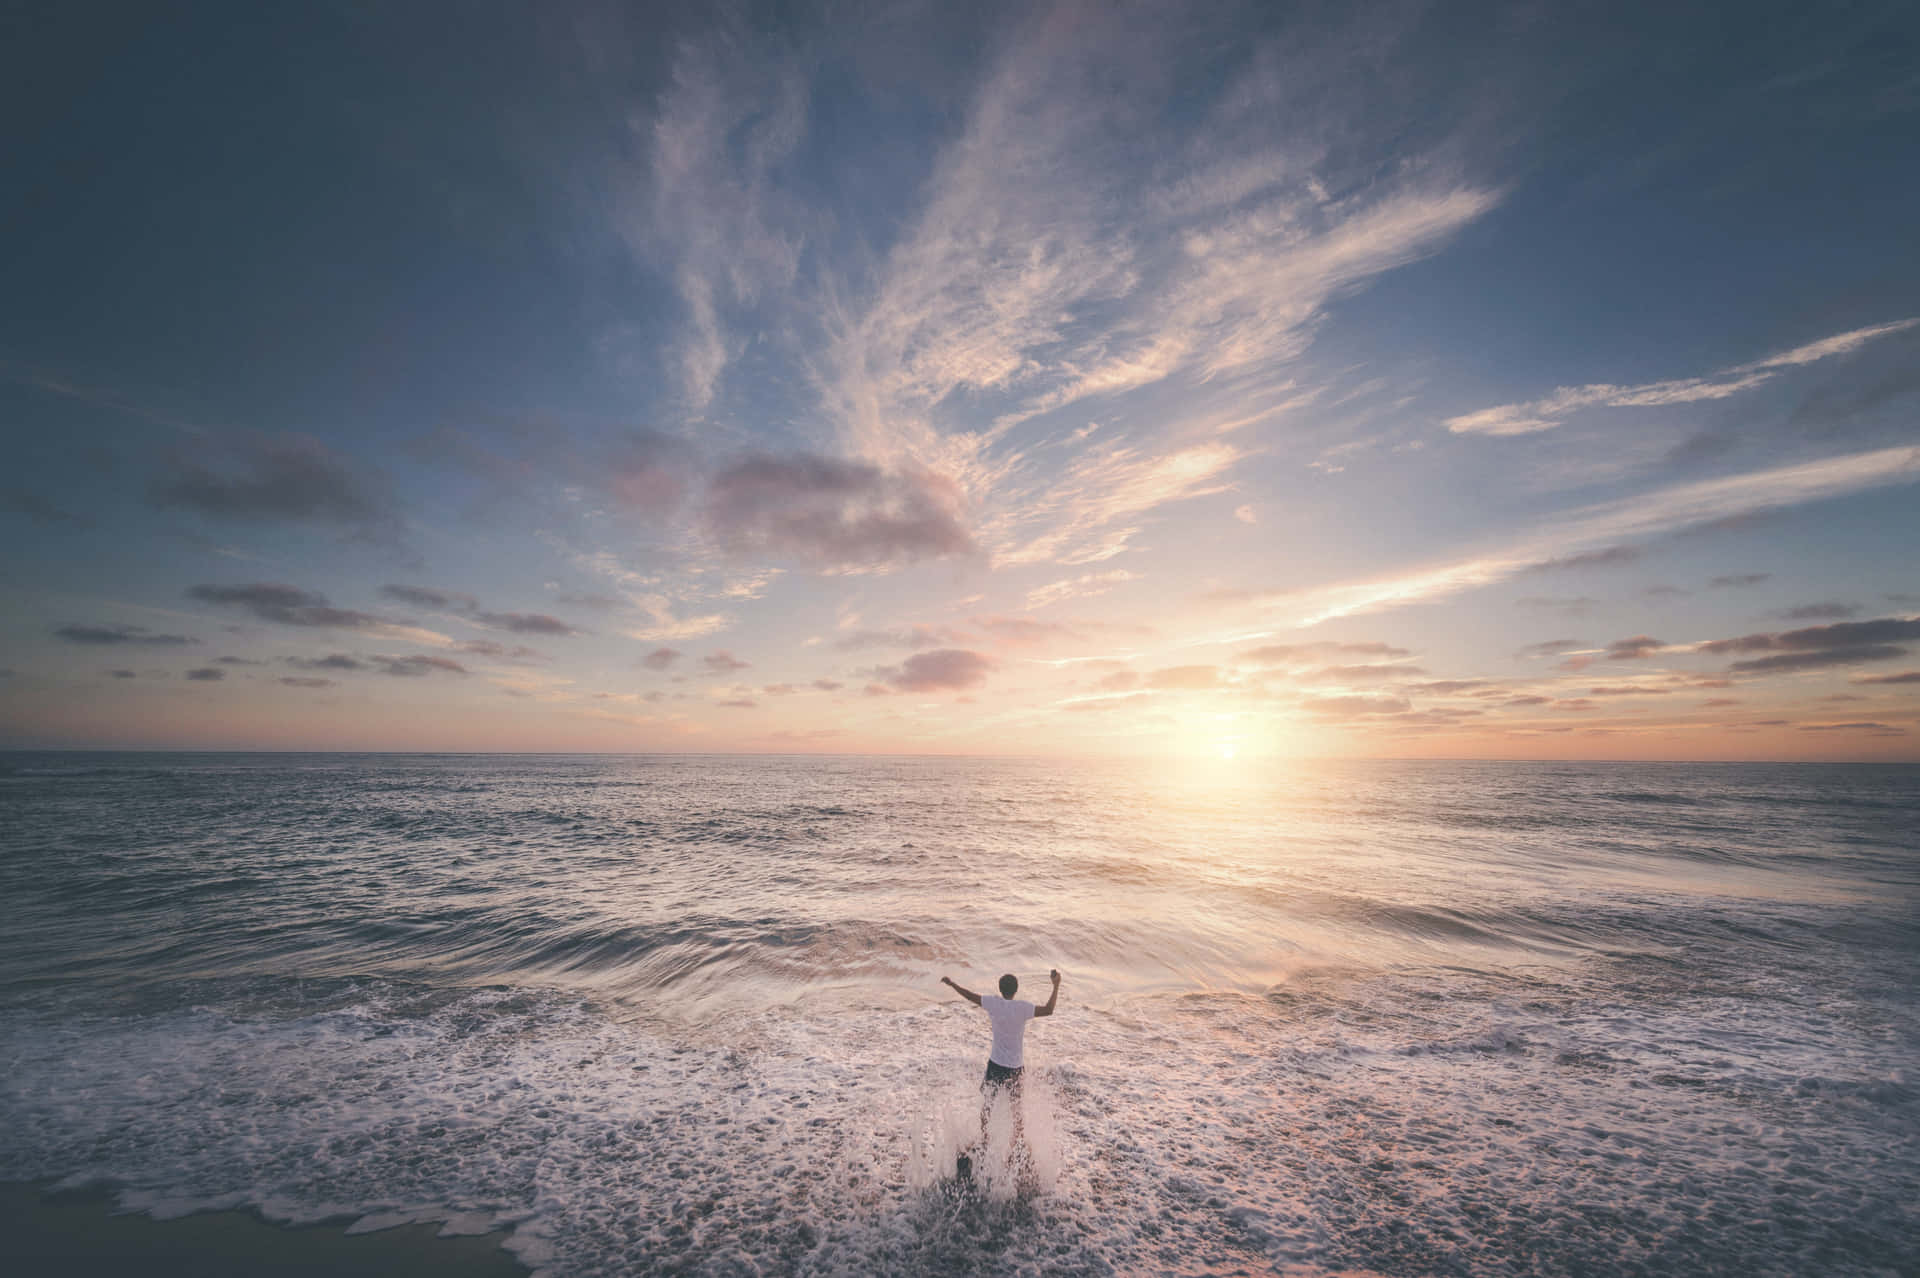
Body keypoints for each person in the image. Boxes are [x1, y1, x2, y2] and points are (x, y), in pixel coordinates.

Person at [939, 969, 1060, 1182]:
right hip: (1015, 1068)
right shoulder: (1023, 1008)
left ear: (1000, 989)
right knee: (1016, 1107)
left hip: (995, 1065)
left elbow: (969, 995)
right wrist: (1056, 985)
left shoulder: (994, 1004)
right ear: (1016, 990)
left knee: (987, 1104)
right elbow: (1049, 1010)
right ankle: (1017, 1144)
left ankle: (985, 1141)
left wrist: (952, 983)